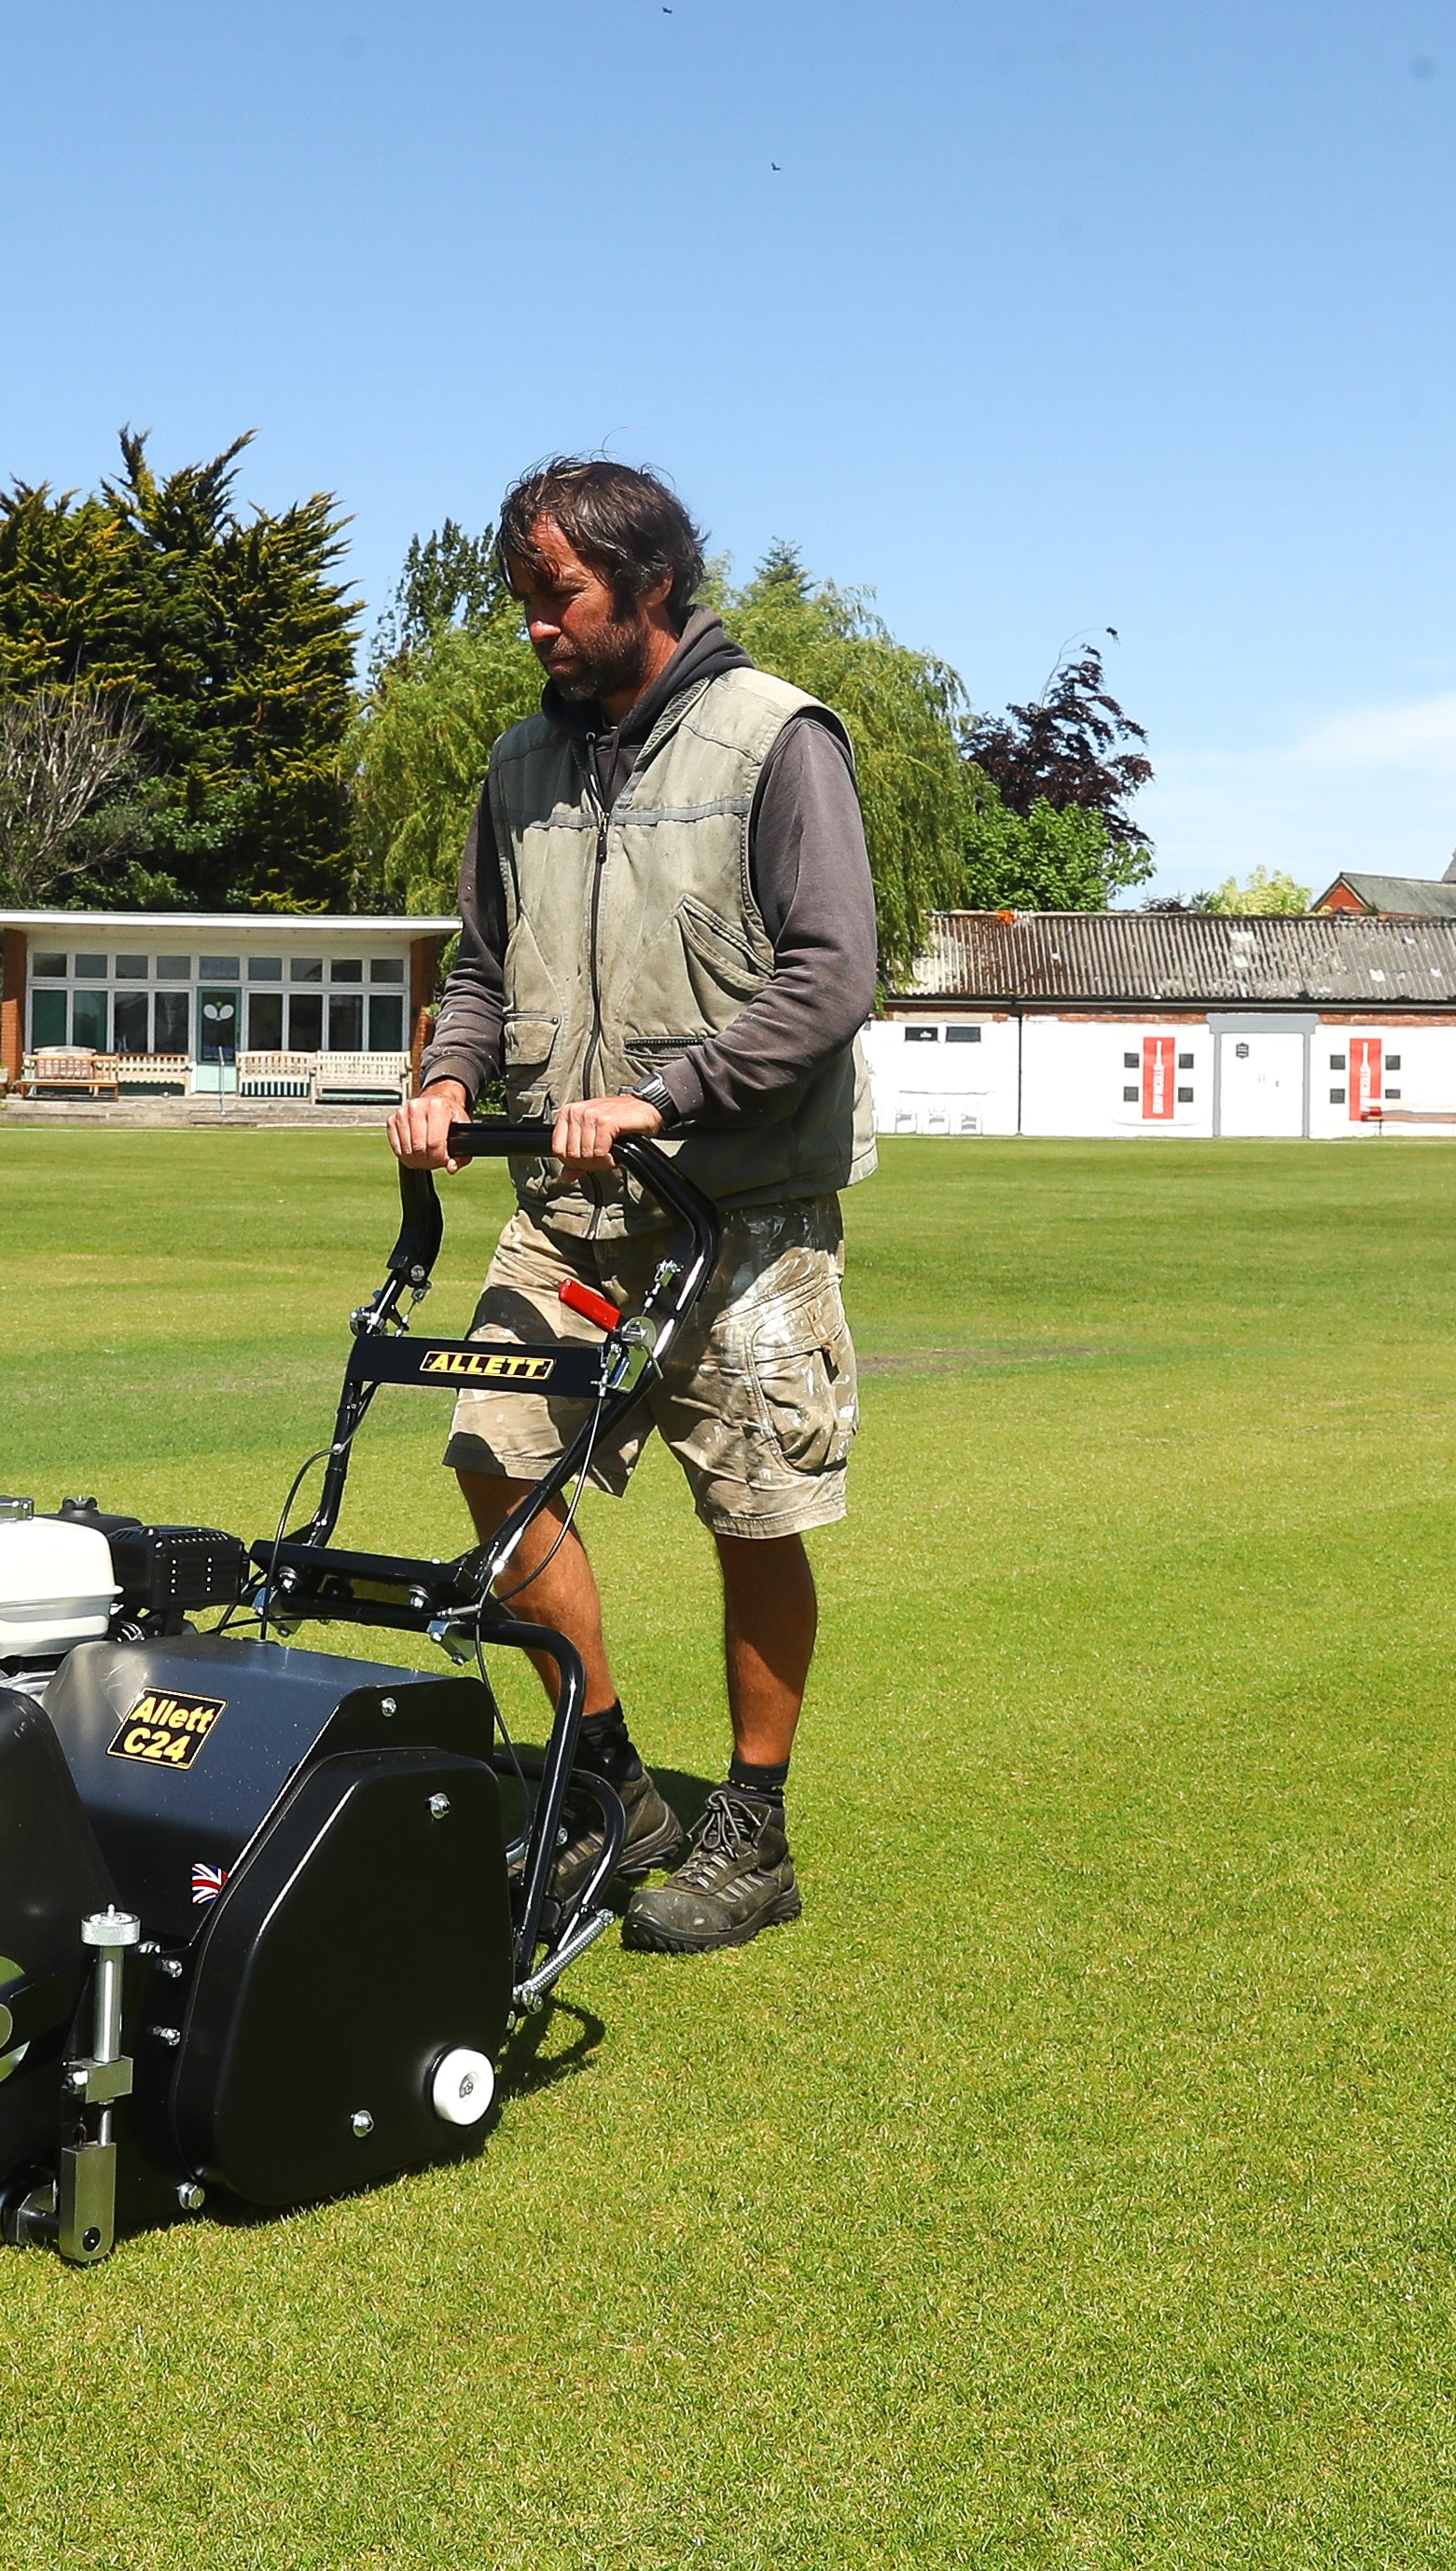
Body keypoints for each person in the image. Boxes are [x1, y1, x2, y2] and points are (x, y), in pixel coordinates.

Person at [387, 456, 875, 1956]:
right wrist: (448, 1077)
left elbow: (831, 976)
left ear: (650, 586)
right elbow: (482, 968)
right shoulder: (519, 768)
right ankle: (608, 1781)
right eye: (523, 598)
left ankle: (753, 1828)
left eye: (560, 595)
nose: (533, 625)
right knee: (492, 1449)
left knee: (751, 1510)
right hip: (564, 1207)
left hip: (739, 1210)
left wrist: (669, 1094)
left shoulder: (774, 740)